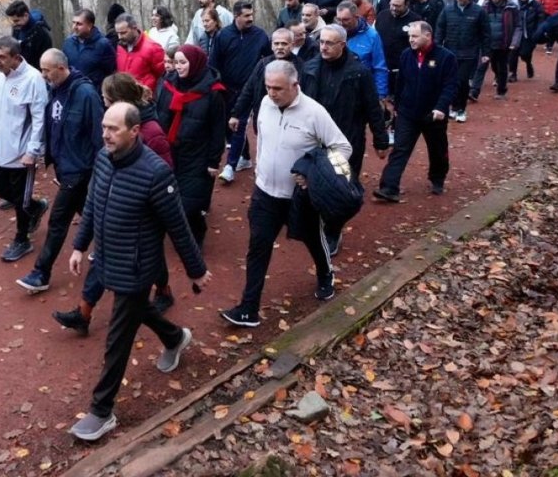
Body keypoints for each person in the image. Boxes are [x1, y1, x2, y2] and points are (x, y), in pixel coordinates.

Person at [66, 103, 212, 442]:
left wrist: (196, 269)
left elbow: (177, 225)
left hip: (137, 267)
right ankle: (176, 338)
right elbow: (92, 204)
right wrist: (78, 245)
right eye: (104, 126)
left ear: (134, 131)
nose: (105, 134)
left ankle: (102, 411)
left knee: (118, 337)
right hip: (106, 258)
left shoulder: (155, 172)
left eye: (113, 129)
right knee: (137, 313)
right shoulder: (103, 159)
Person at [220, 61, 351, 329]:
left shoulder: (314, 113)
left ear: (295, 85)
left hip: (299, 197)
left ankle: (325, 274)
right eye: (268, 87)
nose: (271, 93)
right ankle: (248, 308)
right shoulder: (265, 105)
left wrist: (315, 173)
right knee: (258, 247)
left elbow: (342, 147)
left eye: (277, 88)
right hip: (265, 193)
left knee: (313, 238)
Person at [50, 73, 175, 336]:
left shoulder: (150, 131)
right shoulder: (112, 136)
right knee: (105, 256)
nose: (103, 104)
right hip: (119, 208)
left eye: (106, 100)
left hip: (146, 213)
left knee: (145, 257)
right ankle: (84, 311)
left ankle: (163, 295)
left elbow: (165, 172)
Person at [16, 49, 104, 293]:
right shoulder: (54, 90)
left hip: (80, 170)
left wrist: (101, 171)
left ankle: (40, 273)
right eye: (42, 70)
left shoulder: (86, 94)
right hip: (64, 168)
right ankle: (119, 245)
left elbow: (99, 136)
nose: (43, 75)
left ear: (61, 68)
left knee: (57, 221)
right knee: (90, 213)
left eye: (46, 70)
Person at [300, 25, 389, 256]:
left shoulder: (359, 73)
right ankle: (314, 224)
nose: (324, 47)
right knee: (312, 185)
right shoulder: (309, 69)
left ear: (343, 44)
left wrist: (381, 141)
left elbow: (373, 108)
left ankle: (333, 231)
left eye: (330, 43)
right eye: (321, 42)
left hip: (347, 142)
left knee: (339, 189)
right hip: (314, 142)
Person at [372, 21, 457, 201]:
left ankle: (437, 179)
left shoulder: (445, 57)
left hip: (433, 115)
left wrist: (441, 107)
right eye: (409, 36)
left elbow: (450, 86)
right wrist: (397, 105)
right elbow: (401, 81)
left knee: (437, 150)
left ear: (428, 35)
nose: (410, 39)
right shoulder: (406, 55)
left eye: (415, 36)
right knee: (400, 149)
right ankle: (389, 188)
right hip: (408, 113)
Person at [159, 45, 228, 252]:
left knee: (190, 204)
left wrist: (213, 161)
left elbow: (218, 130)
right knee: (170, 197)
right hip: (171, 152)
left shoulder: (213, 93)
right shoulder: (169, 84)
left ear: (195, 63)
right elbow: (160, 114)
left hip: (197, 154)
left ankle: (197, 234)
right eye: (176, 62)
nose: (178, 67)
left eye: (183, 62)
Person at [0, 36, 52, 262]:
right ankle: (37, 207)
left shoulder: (33, 79)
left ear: (16, 58)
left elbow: (39, 119)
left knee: (20, 201)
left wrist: (32, 151)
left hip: (22, 154)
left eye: (2, 57)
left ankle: (21, 239)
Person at [210, 1, 272, 183]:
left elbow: (268, 60)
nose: (250, 18)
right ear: (236, 16)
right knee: (229, 126)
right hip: (227, 89)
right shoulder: (222, 36)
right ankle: (244, 158)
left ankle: (230, 166)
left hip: (250, 90)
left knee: (240, 124)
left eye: (251, 14)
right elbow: (213, 64)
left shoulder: (260, 35)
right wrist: (216, 86)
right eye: (246, 15)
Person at [229, 29, 302, 143]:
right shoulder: (262, 64)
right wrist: (236, 114)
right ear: (271, 45)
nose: (280, 47)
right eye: (276, 43)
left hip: (291, 122)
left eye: (284, 43)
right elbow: (249, 89)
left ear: (292, 45)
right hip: (264, 118)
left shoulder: (300, 67)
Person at [434, 0, 489, 122]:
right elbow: (440, 29)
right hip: (450, 51)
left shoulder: (478, 11)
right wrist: (436, 47)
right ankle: (453, 107)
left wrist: (486, 53)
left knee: (462, 81)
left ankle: (461, 109)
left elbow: (486, 33)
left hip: (469, 52)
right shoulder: (447, 10)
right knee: (451, 81)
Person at [471, 0, 521, 100]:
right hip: (487, 43)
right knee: (481, 66)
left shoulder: (512, 7)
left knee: (501, 67)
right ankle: (474, 92)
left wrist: (515, 42)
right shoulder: (483, 7)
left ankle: (501, 91)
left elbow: (518, 26)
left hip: (504, 43)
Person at [334, 0, 389, 99]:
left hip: (362, 90)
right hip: (338, 89)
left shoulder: (372, 36)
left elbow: (380, 68)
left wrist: (381, 95)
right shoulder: (333, 33)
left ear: (356, 17)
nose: (341, 23)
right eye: (339, 19)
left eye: (346, 19)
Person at [63, 9, 117, 91]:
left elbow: (111, 71)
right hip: (72, 91)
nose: (74, 27)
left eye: (79, 24)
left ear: (90, 25)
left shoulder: (103, 45)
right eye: (73, 23)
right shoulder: (68, 43)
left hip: (95, 93)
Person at [375, 0, 419, 82]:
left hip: (405, 68)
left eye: (398, 6)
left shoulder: (416, 20)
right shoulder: (382, 15)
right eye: (392, 5)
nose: (394, 8)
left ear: (407, 5)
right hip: (383, 66)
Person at [114, 13, 166, 91]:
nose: (119, 37)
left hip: (144, 98)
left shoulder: (153, 48)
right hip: (124, 96)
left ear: (134, 28)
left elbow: (162, 76)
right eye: (117, 33)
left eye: (123, 33)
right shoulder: (120, 47)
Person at [508, 0, 545, 81]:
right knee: (513, 53)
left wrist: (538, 30)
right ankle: (513, 74)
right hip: (515, 33)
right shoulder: (513, 4)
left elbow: (541, 18)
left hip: (529, 33)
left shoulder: (536, 5)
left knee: (525, 53)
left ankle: (528, 64)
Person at [5, 0, 53, 68]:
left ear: (26, 15)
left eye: (16, 21)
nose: (14, 24)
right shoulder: (17, 29)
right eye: (13, 21)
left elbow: (45, 59)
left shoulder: (42, 34)